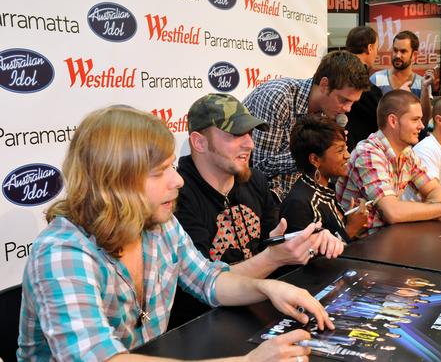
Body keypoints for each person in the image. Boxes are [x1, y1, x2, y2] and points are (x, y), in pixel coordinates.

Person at [17, 106, 333, 361]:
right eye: (160, 172)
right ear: (114, 182)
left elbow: (209, 280)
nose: (178, 181)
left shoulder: (159, 221)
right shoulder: (62, 253)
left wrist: (267, 289)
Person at [171, 94, 345, 327]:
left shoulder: (255, 181)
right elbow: (203, 287)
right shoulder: (176, 196)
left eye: (250, 134)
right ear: (199, 142)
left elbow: (268, 246)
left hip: (259, 314)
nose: (250, 144)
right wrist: (273, 258)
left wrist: (308, 242)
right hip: (202, 327)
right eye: (235, 135)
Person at [336, 90, 441, 235]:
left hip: (388, 236)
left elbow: (437, 192)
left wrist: (433, 208)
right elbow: (393, 212)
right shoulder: (368, 153)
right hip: (358, 245)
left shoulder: (407, 152)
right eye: (415, 119)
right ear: (393, 121)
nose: (422, 126)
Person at [243, 50, 370, 201]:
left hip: (295, 199)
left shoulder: (328, 112)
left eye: (352, 103)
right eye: (343, 100)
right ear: (324, 85)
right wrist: (315, 152)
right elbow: (261, 166)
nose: (348, 109)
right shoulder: (278, 97)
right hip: (255, 197)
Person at [281, 116, 369, 243]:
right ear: (315, 160)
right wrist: (351, 228)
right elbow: (306, 257)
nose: (348, 155)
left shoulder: (326, 189)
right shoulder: (298, 204)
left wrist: (350, 220)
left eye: (346, 148)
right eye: (340, 150)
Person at [370, 30, 434, 130]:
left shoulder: (422, 83)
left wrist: (425, 89)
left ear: (414, 55)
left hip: (413, 143)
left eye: (403, 51)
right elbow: (371, 117)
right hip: (383, 142)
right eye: (395, 50)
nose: (397, 55)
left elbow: (424, 120)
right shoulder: (376, 79)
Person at [344, 26, 383, 151]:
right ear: (370, 48)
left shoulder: (335, 74)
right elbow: (381, 119)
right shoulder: (367, 88)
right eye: (377, 48)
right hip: (357, 150)